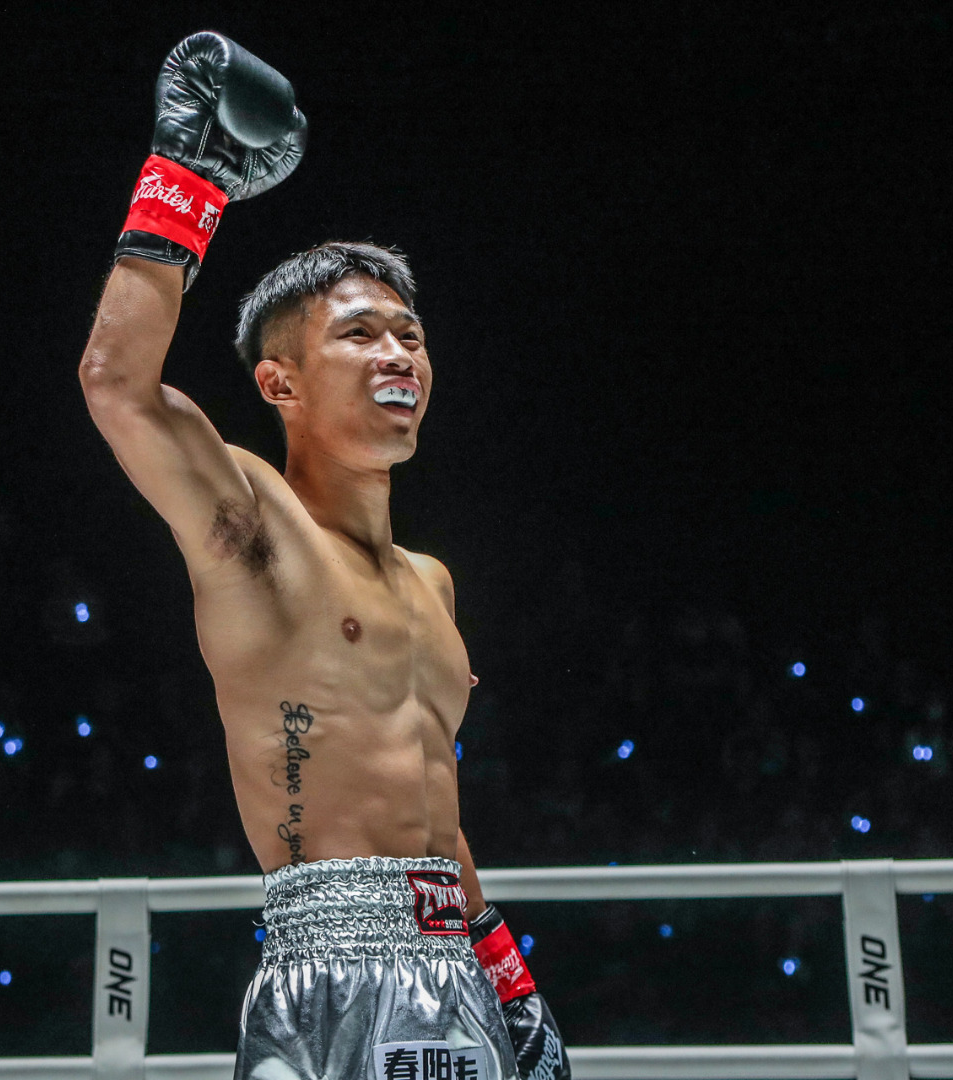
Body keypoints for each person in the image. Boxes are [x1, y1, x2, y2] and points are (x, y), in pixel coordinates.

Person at [78, 32, 569, 1080]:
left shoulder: (432, 582)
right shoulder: (257, 530)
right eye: (359, 334)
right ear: (280, 384)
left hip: (461, 970)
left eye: (410, 333)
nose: (398, 353)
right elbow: (117, 385)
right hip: (331, 971)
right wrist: (184, 179)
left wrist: (513, 984)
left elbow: (432, 806)